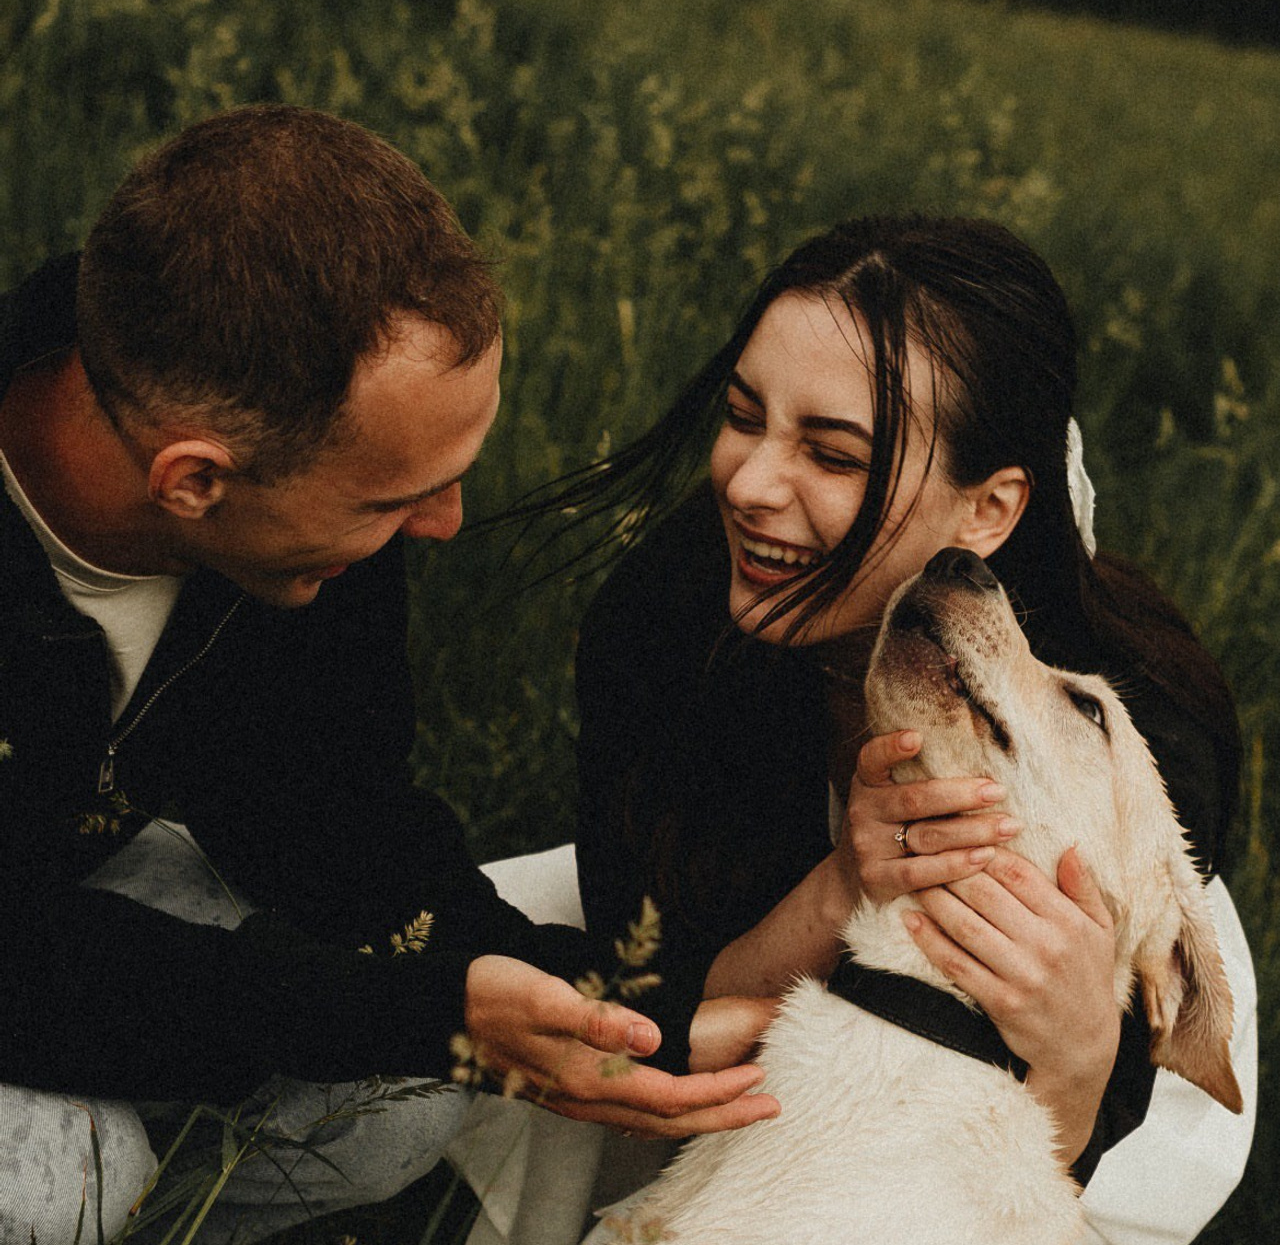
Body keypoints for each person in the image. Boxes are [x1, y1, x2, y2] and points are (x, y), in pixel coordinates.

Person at [0, 105, 779, 1245]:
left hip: (72, 885)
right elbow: (24, 957)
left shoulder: (296, 521)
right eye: (393, 497)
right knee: (55, 1181)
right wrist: (412, 1007)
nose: (444, 522)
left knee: (411, 1098)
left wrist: (600, 1005)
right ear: (192, 481)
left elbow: (335, 820)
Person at [538, 215, 1256, 1237]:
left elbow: (1030, 1174)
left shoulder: (1130, 723)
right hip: (765, 996)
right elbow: (652, 1001)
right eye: (744, 415)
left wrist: (1076, 1053)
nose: (747, 485)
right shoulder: (670, 613)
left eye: (831, 455)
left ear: (988, 509)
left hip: (1048, 1101)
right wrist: (846, 879)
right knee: (554, 1024)